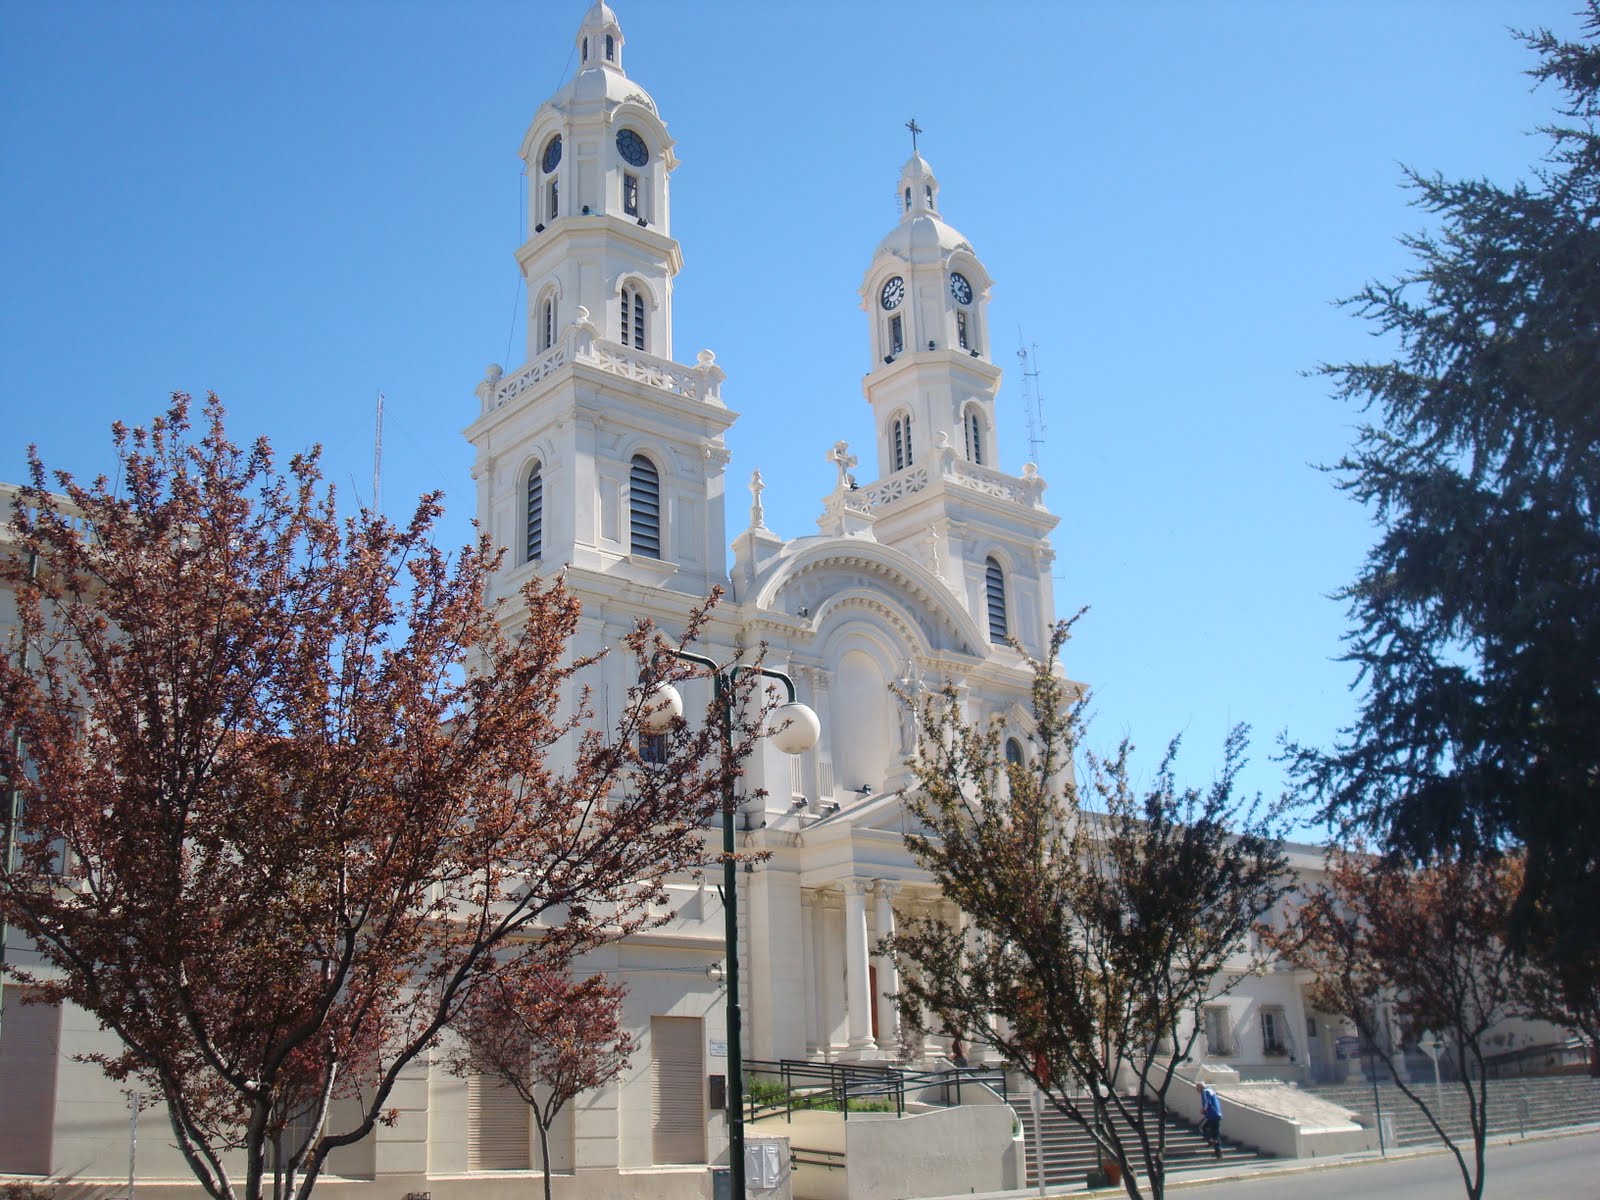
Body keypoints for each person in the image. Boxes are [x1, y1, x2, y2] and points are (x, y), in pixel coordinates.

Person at [1197, 1081, 1223, 1158]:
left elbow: (1206, 1102)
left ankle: (1210, 1141)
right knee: (1216, 1134)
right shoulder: (1211, 1091)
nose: (1197, 1091)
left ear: (1200, 1087)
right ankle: (1218, 1152)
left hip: (1212, 1115)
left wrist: (1203, 1109)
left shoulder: (1204, 1091)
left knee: (1202, 1127)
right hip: (1218, 1114)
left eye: (1197, 1088)